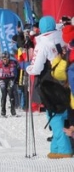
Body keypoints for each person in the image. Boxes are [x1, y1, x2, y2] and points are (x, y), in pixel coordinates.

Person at [26, 15, 72, 158]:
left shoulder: (42, 43)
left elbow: (37, 67)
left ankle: (64, 148)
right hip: (67, 79)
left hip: (50, 82)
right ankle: (57, 146)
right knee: (66, 112)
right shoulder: (62, 37)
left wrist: (29, 69)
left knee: (54, 114)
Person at [0, 51, 18, 117]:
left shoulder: (13, 63)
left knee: (11, 93)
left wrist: (17, 79)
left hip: (11, 78)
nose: (5, 60)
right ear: (2, 59)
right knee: (4, 94)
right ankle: (3, 110)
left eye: (7, 58)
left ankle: (13, 110)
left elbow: (19, 68)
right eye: (4, 59)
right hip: (1, 79)